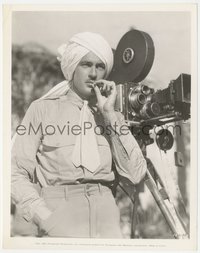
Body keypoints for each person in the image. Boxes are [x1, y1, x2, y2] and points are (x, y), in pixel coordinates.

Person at [11, 32, 147, 238]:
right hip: (59, 218)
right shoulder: (41, 110)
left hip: (106, 220)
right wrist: (45, 217)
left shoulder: (112, 114)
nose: (93, 73)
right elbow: (14, 173)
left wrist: (110, 114)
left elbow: (135, 175)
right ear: (73, 66)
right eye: (86, 64)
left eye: (100, 66)